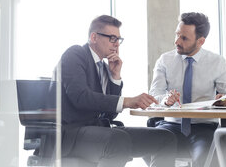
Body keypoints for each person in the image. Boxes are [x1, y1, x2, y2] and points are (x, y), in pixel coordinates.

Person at [59, 15, 177, 167]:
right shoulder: (75, 54)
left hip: (99, 130)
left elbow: (109, 114)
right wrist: (127, 101)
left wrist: (115, 77)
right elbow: (80, 97)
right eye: (112, 38)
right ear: (94, 37)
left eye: (119, 40)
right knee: (118, 140)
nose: (116, 44)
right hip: (71, 134)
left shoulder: (103, 66)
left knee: (166, 138)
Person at [149, 12, 226, 167]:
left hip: (204, 127)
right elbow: (154, 96)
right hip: (171, 125)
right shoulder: (165, 61)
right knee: (159, 154)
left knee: (205, 160)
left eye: (184, 38)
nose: (176, 41)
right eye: (177, 35)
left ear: (200, 41)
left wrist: (224, 100)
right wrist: (165, 100)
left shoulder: (216, 62)